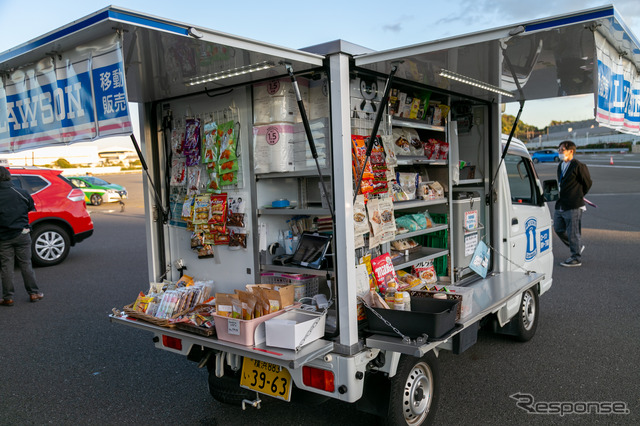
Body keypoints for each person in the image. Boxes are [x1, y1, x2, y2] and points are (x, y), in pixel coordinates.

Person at [0, 166, 43, 306]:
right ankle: (34, 293)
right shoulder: (21, 192)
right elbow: (31, 207)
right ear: (8, 176)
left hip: (3, 237)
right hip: (22, 234)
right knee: (26, 264)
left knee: (6, 267)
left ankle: (8, 298)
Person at [553, 141, 592, 267]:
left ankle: (576, 257)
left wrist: (578, 195)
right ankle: (576, 247)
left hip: (573, 204)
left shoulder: (578, 166)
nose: (559, 152)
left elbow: (587, 183)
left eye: (562, 150)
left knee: (573, 232)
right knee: (558, 228)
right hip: (561, 203)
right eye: (559, 150)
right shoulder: (560, 166)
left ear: (571, 151)